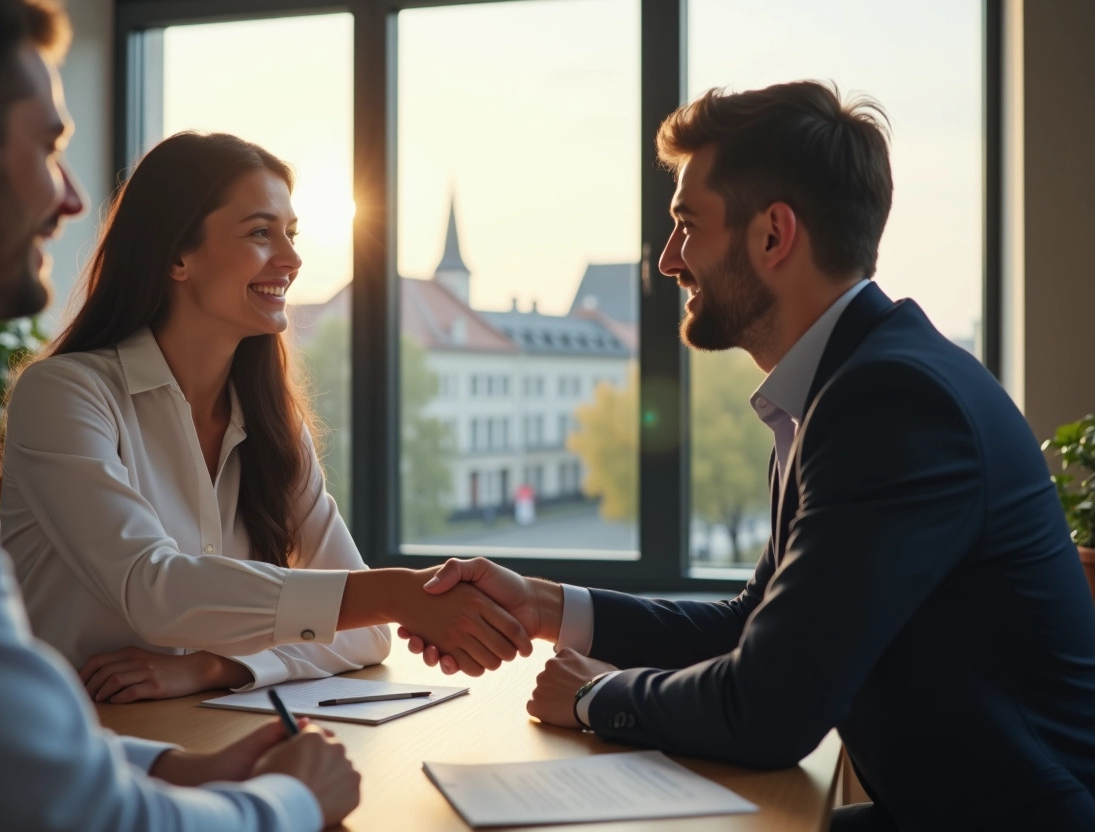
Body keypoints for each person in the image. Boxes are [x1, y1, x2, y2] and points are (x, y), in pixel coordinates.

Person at [400, 81, 1095, 831]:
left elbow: (770, 711)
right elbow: (753, 625)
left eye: (686, 226)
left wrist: (594, 697)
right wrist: (544, 607)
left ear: (773, 235)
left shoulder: (892, 404)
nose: (668, 261)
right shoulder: (848, 384)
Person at [0, 2, 365, 828]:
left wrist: (191, 737)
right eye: (50, 148)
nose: (72, 198)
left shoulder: (267, 421)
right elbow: (63, 793)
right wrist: (285, 802)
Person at [0, 130, 527, 705]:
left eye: (291, 234)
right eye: (260, 233)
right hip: (72, 742)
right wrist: (398, 591)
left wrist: (217, 667)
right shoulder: (64, 396)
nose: (293, 260)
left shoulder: (270, 424)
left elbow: (368, 636)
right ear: (176, 255)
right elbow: (154, 591)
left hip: (204, 740)